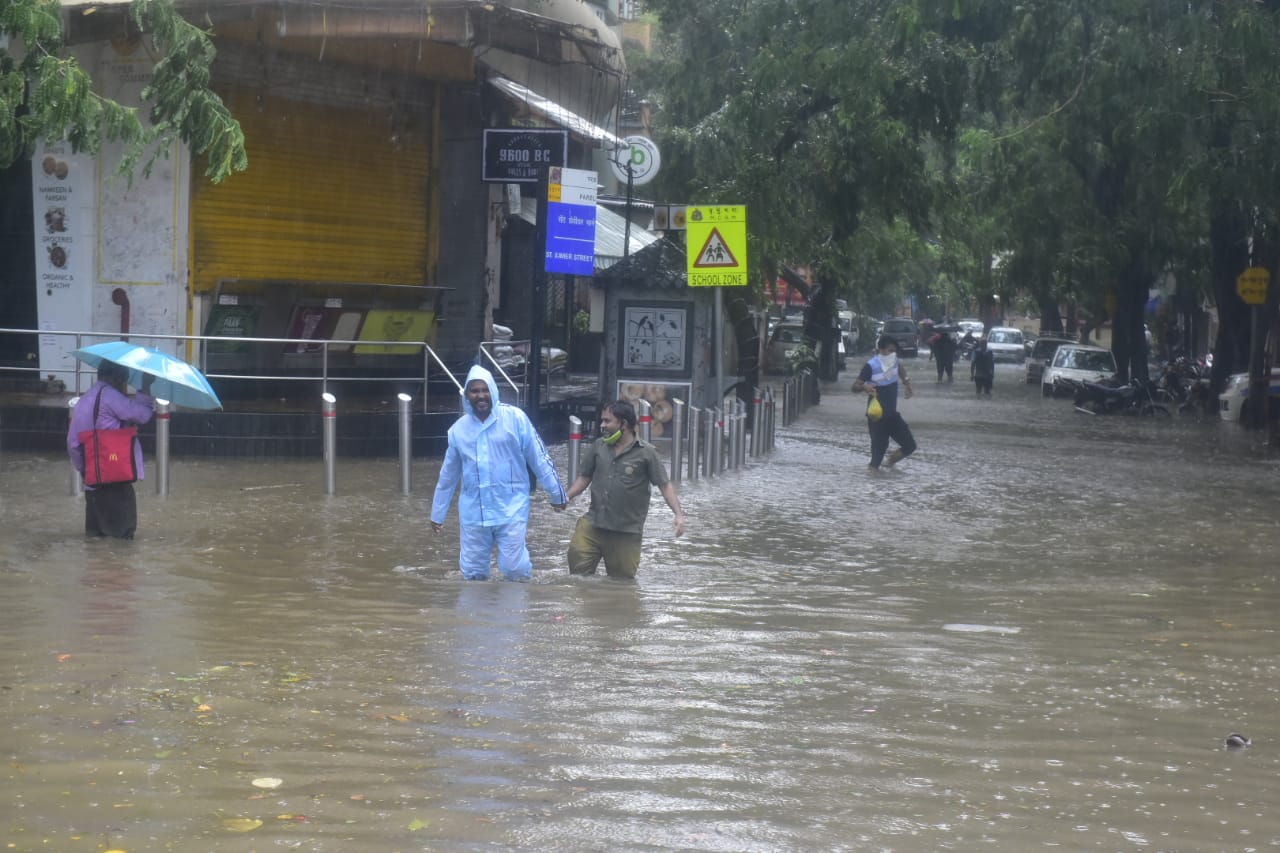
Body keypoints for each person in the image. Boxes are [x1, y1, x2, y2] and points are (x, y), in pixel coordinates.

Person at [430, 365, 567, 581]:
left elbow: (538, 457)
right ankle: (476, 614)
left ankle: (515, 611)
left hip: (511, 507)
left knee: (515, 569)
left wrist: (556, 494)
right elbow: (448, 476)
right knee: (473, 574)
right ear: (467, 395)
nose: (481, 395)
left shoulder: (515, 419)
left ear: (493, 390)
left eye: (485, 389)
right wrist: (438, 513)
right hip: (473, 511)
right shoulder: (458, 431)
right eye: (474, 391)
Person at [564, 400, 685, 579]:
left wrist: (679, 515)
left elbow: (664, 485)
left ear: (624, 424)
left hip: (625, 532)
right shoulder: (599, 446)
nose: (602, 425)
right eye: (602, 421)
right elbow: (584, 477)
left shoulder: (647, 453)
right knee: (577, 578)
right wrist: (566, 497)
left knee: (621, 585)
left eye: (607, 421)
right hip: (592, 525)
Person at [67, 360, 156, 539]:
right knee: (122, 544)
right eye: (124, 381)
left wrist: (85, 471)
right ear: (116, 378)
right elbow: (142, 415)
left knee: (95, 542)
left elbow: (72, 443)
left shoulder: (84, 400)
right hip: (116, 483)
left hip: (92, 484)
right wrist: (146, 386)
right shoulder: (110, 396)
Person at [853, 335, 917, 470]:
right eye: (890, 350)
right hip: (876, 417)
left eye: (895, 351)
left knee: (910, 446)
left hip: (892, 416)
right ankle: (873, 482)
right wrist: (865, 387)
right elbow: (855, 386)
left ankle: (889, 464)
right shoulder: (871, 365)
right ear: (881, 349)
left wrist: (907, 383)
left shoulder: (895, 361)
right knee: (877, 456)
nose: (893, 354)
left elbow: (900, 369)